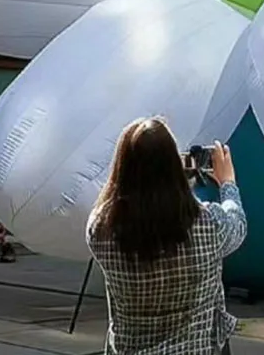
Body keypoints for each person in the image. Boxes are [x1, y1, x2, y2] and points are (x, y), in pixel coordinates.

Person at [87, 118, 246, 355]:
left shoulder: (100, 228)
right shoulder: (208, 224)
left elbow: (132, 210)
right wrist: (228, 183)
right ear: (173, 165)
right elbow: (237, 224)